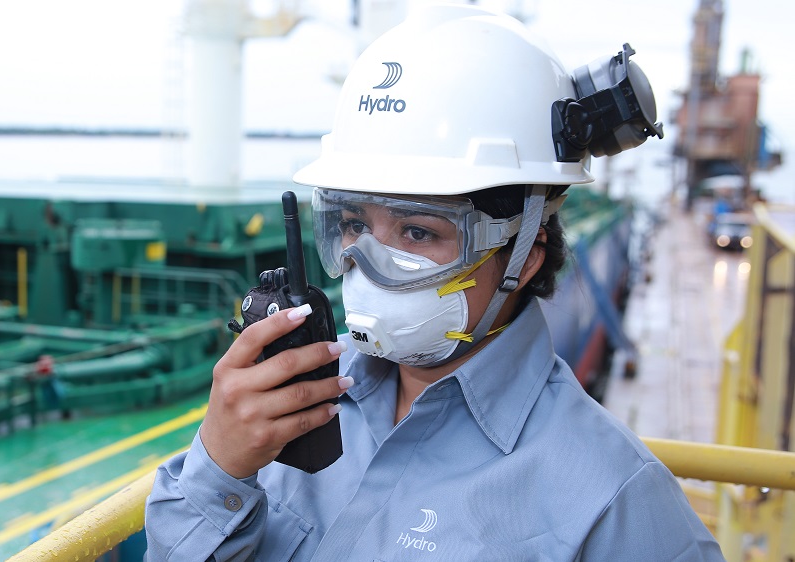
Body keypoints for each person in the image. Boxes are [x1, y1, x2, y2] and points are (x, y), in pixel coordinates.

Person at [144, 3, 724, 560]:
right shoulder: (286, 404)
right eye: (351, 227)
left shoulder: (613, 504)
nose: (369, 266)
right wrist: (219, 468)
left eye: (418, 234)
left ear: (523, 256)